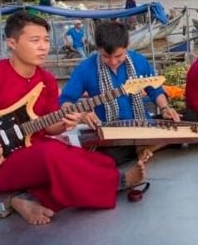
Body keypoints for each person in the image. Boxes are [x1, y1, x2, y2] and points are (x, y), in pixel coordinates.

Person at [0, 11, 146, 225]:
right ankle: (119, 182)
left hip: (33, 152)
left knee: (98, 160)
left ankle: (21, 198)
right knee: (52, 154)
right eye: (35, 40)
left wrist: (67, 122)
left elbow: (49, 128)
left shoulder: (47, 80)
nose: (43, 46)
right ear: (12, 43)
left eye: (46, 40)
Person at [59, 21, 179, 165]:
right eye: (106, 56)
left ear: (127, 46)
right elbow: (66, 100)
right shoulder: (86, 68)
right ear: (98, 49)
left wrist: (165, 108)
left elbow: (155, 89)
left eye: (118, 56)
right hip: (110, 132)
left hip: (143, 124)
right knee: (108, 158)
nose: (113, 62)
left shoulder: (138, 60)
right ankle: (143, 147)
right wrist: (81, 115)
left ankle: (142, 146)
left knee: (186, 119)